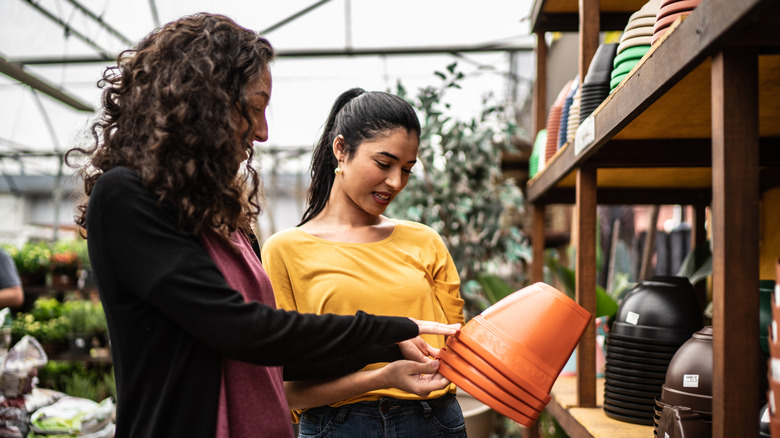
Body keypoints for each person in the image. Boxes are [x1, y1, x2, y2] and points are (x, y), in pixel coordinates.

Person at [65, 13, 459, 438]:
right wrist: (393, 326)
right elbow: (243, 329)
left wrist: (387, 352)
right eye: (255, 109)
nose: (264, 131)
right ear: (204, 102)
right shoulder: (125, 198)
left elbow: (279, 361)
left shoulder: (225, 223)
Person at [261, 88, 467, 437]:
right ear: (341, 150)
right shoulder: (285, 251)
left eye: (407, 169)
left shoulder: (425, 241)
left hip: (432, 420)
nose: (395, 182)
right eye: (384, 164)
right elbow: (283, 389)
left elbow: (456, 357)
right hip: (336, 426)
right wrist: (383, 375)